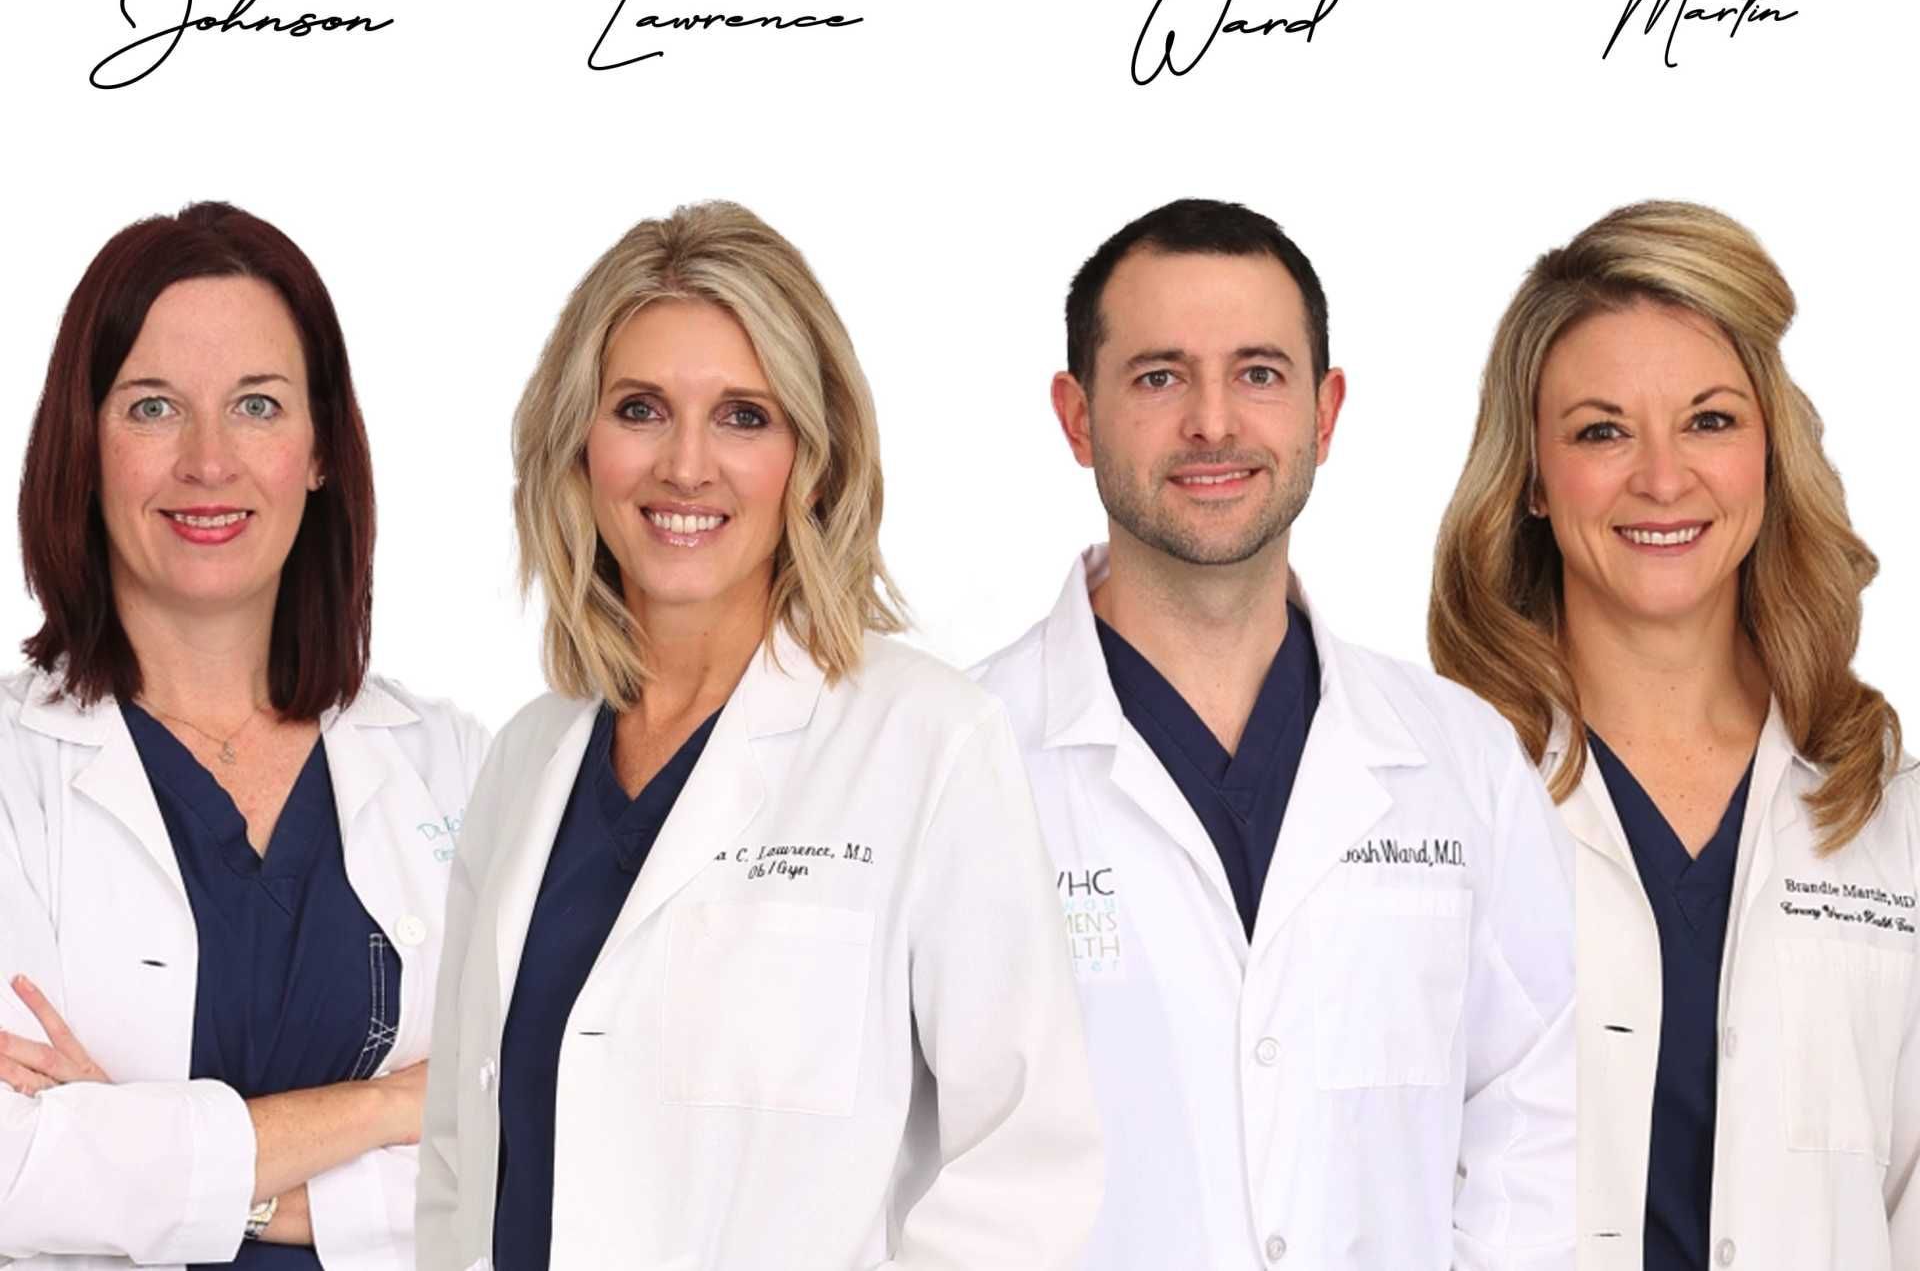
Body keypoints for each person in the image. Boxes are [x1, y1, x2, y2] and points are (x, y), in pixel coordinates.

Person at [415, 201, 1099, 1271]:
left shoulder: (926, 742)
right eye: (640, 408)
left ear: (812, 457)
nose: (687, 466)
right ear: (578, 445)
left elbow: (1024, 1173)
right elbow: (459, 1157)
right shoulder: (525, 760)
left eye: (743, 416)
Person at [973, 197, 1576, 1270]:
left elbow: (1538, 1124)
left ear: (1324, 412)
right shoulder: (959, 759)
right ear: (1077, 416)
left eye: (1259, 372)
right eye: (1159, 376)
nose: (1214, 422)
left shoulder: (1462, 762)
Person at [1430, 199, 1917, 1271]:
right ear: (1532, 483)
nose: (1662, 476)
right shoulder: (1437, 797)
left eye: (1709, 419)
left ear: (1769, 454)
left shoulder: (1890, 813)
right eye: (1602, 430)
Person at [0, 202, 487, 1271]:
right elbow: (15, 1172)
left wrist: (151, 1155)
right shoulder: (11, 777)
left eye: (258, 405)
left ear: (319, 450)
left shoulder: (455, 764)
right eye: (155, 407)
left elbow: (542, 1151)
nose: (209, 461)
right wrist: (396, 1106)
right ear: (84, 447)